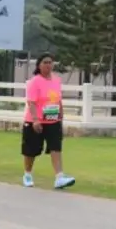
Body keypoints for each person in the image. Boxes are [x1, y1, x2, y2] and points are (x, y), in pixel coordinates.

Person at [22, 53, 76, 189]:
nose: (48, 65)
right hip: (36, 120)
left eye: (50, 62)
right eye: (45, 62)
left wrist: (61, 113)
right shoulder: (35, 81)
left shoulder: (56, 80)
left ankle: (59, 177)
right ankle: (27, 174)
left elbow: (58, 98)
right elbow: (31, 102)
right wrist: (35, 120)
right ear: (39, 65)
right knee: (31, 150)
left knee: (55, 147)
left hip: (53, 120)